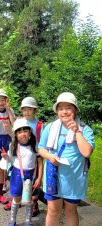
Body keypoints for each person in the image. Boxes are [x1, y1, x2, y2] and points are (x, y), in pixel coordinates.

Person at [38, 92, 95, 226]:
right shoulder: (50, 127)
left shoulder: (85, 129)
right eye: (60, 108)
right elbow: (41, 148)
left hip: (73, 178)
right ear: (57, 111)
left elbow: (87, 152)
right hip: (53, 176)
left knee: (71, 210)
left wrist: (76, 131)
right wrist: (49, 157)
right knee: (52, 210)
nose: (64, 112)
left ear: (75, 110)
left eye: (68, 107)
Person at [7, 118, 38, 226]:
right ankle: (12, 220)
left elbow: (39, 160)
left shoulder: (35, 145)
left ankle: (28, 221)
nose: (23, 134)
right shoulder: (13, 145)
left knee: (29, 199)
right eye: (19, 132)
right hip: (17, 174)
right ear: (15, 134)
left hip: (30, 175)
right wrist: (5, 157)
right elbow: (10, 161)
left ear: (29, 132)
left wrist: (39, 177)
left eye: (25, 131)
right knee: (16, 198)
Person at [19, 97, 44, 216]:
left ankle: (34, 201)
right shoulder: (20, 122)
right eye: (24, 109)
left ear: (35, 110)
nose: (27, 112)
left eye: (30, 109)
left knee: (34, 179)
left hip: (35, 155)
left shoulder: (39, 125)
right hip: (22, 155)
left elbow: (43, 141)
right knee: (21, 177)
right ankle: (18, 198)